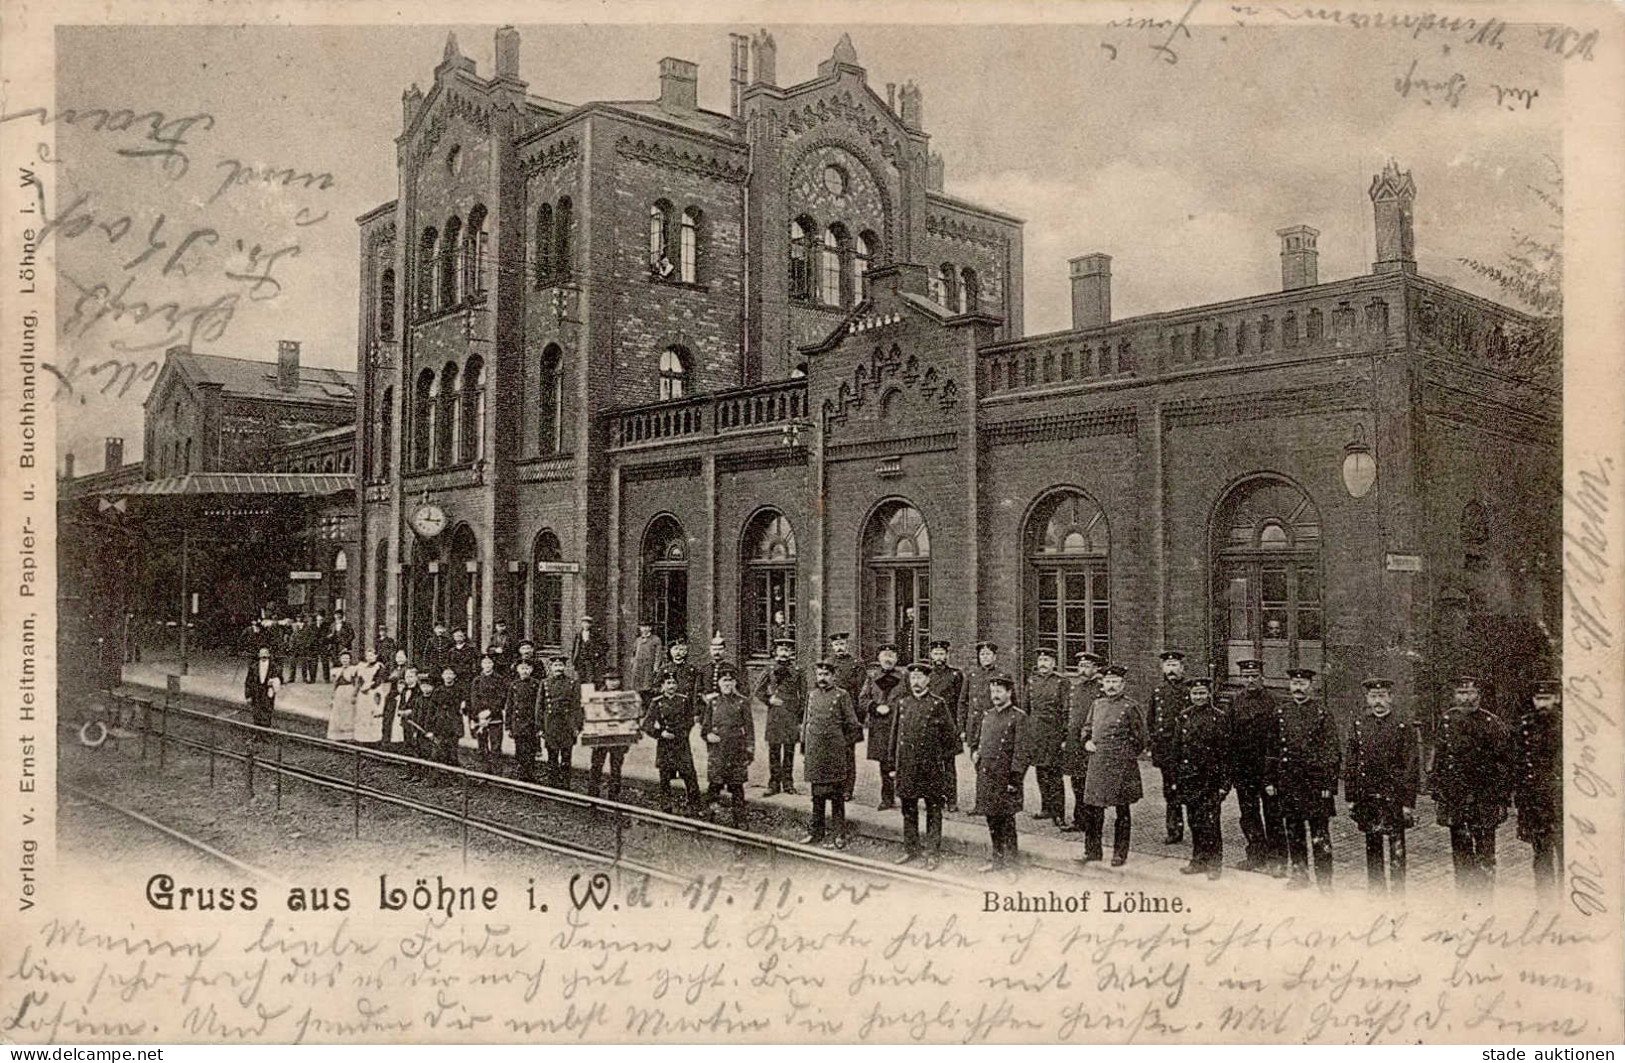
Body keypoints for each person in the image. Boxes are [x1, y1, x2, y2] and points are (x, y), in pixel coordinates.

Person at [1431, 674, 1513, 895]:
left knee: (1485, 857)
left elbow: (1504, 765)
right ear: (1454, 695)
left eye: (1470, 693)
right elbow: (1439, 759)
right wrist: (1439, 795)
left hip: (1484, 801)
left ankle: (1485, 904)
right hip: (1456, 800)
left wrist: (1502, 800)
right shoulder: (1447, 721)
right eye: (1461, 693)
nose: (1465, 698)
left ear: (1479, 695)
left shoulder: (1492, 723)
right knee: (1461, 856)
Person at [1344, 677, 1419, 895]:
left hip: (1394, 797)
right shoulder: (1359, 725)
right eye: (1374, 696)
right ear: (1367, 698)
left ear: (1391, 698)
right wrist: (1351, 796)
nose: (1378, 701)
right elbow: (1352, 762)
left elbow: (1411, 767)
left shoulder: (1403, 726)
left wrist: (1408, 802)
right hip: (1368, 795)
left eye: (1382, 696)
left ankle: (1397, 894)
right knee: (1372, 844)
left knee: (1396, 846)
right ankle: (1376, 892)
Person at [1268, 668, 1340, 892]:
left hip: (1315, 785)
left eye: (1303, 684)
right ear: (1290, 686)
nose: (1298, 688)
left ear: (1311, 686)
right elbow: (1272, 749)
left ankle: (1325, 881)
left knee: (1320, 834)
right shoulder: (1280, 712)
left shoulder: (1322, 713)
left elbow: (1332, 752)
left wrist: (1328, 785)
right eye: (1295, 683)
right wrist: (1270, 779)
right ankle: (1299, 874)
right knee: (1294, 831)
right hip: (1289, 783)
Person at [890, 660, 957, 869]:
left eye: (920, 678)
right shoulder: (902, 704)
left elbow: (951, 739)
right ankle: (911, 849)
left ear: (928, 680)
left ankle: (932, 853)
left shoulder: (938, 704)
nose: (916, 682)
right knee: (908, 809)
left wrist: (943, 767)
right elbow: (894, 736)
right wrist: (893, 765)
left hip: (930, 768)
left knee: (933, 811)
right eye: (913, 678)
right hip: (907, 766)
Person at [1079, 664, 1147, 867]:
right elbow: (1086, 728)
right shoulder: (1097, 704)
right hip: (1097, 763)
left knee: (1122, 812)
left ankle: (1120, 853)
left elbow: (1141, 738)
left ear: (1122, 684)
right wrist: (1086, 741)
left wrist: (1125, 755)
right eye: (1108, 681)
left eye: (1115, 682)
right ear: (1102, 683)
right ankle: (1092, 851)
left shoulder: (1130, 707)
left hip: (1121, 766)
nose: (1111, 685)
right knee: (1092, 810)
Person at [1228, 659, 1285, 876]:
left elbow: (1279, 738)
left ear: (1262, 677)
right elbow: (1230, 736)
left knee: (1273, 813)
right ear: (1242, 678)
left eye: (1254, 676)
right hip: (1244, 768)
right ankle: (1255, 854)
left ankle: (1277, 858)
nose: (1250, 680)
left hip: (1267, 768)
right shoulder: (1236, 701)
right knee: (1248, 814)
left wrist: (1274, 770)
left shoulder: (1273, 701)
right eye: (1246, 676)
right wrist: (1233, 769)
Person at [801, 658, 862, 849]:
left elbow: (853, 724)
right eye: (820, 674)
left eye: (826, 675)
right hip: (816, 752)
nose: (823, 678)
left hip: (835, 752)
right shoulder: (811, 695)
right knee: (817, 797)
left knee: (836, 797)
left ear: (833, 676)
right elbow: (806, 721)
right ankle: (816, 833)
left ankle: (839, 834)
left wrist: (844, 746)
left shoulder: (842, 695)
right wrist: (804, 743)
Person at [1171, 677, 1228, 878]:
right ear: (1190, 695)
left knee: (1211, 822)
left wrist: (1224, 784)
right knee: (1194, 821)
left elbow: (1225, 753)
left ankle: (1214, 864)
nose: (1199, 697)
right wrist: (1176, 778)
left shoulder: (1219, 717)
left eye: (1202, 693)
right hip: (1189, 778)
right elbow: (1177, 749)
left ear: (1209, 694)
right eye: (1195, 694)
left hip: (1210, 779)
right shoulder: (1184, 717)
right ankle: (1198, 860)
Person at [1514, 679, 1564, 900]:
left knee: (1567, 857)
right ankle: (1546, 905)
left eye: (1547, 698)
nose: (1542, 704)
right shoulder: (1525, 727)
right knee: (1541, 858)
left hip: (1563, 804)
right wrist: (1523, 809)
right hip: (1536, 804)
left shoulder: (1568, 727)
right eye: (1538, 699)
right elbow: (1519, 769)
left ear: (1557, 699)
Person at [975, 673, 1029, 874]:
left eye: (999, 691)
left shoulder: (1019, 717)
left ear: (1009, 692)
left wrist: (1015, 778)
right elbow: (982, 742)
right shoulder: (988, 715)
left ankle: (1013, 866)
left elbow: (1022, 752)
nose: (995, 695)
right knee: (992, 820)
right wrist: (978, 758)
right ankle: (997, 861)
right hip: (987, 776)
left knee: (1007, 822)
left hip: (1006, 778)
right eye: (993, 691)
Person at [703, 663, 756, 827]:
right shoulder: (712, 703)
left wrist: (749, 749)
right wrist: (708, 736)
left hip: (736, 749)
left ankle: (739, 818)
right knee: (715, 784)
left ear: (734, 684)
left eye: (730, 681)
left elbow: (749, 728)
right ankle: (709, 815)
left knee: (737, 786)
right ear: (719, 684)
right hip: (718, 750)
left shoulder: (742, 702)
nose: (727, 684)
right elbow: (705, 728)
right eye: (724, 681)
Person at [1146, 650, 1191, 845]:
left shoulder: (1190, 691)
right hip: (1165, 748)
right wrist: (1153, 743)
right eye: (1168, 666)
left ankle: (1196, 828)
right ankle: (1174, 829)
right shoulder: (1158, 692)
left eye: (1175, 666)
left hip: (1185, 748)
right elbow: (1152, 719)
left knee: (1188, 788)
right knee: (1170, 790)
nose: (1171, 670)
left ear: (1182, 668)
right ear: (1163, 668)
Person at [644, 667, 702, 814]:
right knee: (665, 774)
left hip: (681, 742)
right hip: (665, 743)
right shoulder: (657, 702)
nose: (671, 686)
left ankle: (694, 805)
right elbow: (646, 725)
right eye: (668, 683)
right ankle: (666, 803)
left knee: (689, 774)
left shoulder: (683, 700)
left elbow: (690, 720)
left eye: (674, 683)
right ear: (662, 686)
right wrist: (660, 733)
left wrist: (683, 733)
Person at [756, 638, 806, 796]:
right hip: (775, 715)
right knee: (774, 750)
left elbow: (804, 695)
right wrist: (769, 700)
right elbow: (758, 690)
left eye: (787, 650)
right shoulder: (769, 670)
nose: (784, 653)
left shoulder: (798, 671)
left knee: (790, 750)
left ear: (791, 653)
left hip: (791, 715)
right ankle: (773, 783)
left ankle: (788, 783)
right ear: (776, 652)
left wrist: (800, 717)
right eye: (781, 650)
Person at [1060, 651, 1104, 833]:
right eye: (1080, 666)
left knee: (1090, 782)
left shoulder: (1100, 689)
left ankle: (1091, 820)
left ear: (1096, 668)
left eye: (1086, 666)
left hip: (1090, 742)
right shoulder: (1075, 688)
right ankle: (1079, 819)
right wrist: (1065, 737)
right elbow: (1067, 714)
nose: (1082, 670)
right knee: (1076, 782)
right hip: (1074, 742)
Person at [859, 643, 906, 810]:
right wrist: (875, 707)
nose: (888, 659)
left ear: (896, 659)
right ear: (879, 659)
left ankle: (905, 796)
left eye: (891, 656)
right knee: (884, 764)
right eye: (885, 656)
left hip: (899, 725)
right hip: (879, 726)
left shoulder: (904, 677)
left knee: (901, 761)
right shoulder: (872, 677)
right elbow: (862, 699)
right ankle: (887, 798)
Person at [1025, 648, 1069, 823]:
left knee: (1054, 774)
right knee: (1040, 772)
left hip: (1053, 734)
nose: (1043, 664)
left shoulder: (1061, 682)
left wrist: (1064, 736)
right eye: (1041, 660)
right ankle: (1046, 808)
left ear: (1054, 663)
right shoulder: (1032, 681)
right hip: (1036, 734)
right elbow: (1025, 708)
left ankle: (1058, 812)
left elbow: (1066, 710)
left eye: (1047, 660)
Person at [926, 639, 966, 813]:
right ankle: (935, 798)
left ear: (947, 655)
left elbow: (960, 702)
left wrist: (958, 726)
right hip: (930, 726)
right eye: (936, 653)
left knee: (949, 764)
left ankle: (951, 799)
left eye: (942, 653)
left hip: (948, 726)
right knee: (931, 764)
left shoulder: (955, 675)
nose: (939, 657)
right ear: (931, 655)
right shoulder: (927, 675)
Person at [826, 632, 866, 801]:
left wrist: (859, 718)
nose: (839, 647)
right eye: (836, 645)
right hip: (832, 715)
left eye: (842, 644)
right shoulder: (827, 664)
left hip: (850, 714)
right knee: (831, 751)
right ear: (832, 647)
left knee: (848, 752)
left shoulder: (857, 664)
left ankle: (847, 789)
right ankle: (833, 785)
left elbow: (861, 691)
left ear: (847, 645)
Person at [589, 673, 635, 800]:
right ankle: (592, 794)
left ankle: (614, 795)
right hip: (600, 737)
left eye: (616, 680)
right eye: (610, 680)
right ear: (605, 681)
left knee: (616, 767)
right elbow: (591, 717)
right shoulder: (597, 697)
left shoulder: (626, 698)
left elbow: (630, 719)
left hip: (618, 738)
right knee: (596, 766)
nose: (613, 683)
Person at [541, 655, 584, 789]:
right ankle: (552, 783)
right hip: (550, 724)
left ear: (564, 667)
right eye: (555, 666)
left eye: (560, 666)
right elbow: (539, 706)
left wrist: (577, 726)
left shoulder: (572, 683)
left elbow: (577, 706)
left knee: (566, 756)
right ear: (551, 668)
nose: (558, 668)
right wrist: (540, 727)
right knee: (552, 756)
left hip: (567, 724)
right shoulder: (545, 683)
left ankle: (565, 784)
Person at [468, 653, 508, 775]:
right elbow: (474, 698)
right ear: (481, 665)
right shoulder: (477, 680)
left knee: (495, 746)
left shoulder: (499, 679)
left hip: (495, 718)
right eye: (485, 663)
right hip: (480, 719)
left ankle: (497, 773)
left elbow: (501, 697)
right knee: (482, 746)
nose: (487, 665)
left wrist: (490, 711)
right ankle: (484, 772)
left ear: (493, 664)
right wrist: (479, 714)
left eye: (489, 663)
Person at [505, 658, 543, 783]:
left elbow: (540, 705)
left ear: (531, 670)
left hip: (531, 722)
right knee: (520, 749)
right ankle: (521, 773)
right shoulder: (514, 685)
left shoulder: (536, 684)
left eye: (527, 668)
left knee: (531, 750)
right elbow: (509, 706)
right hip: (518, 722)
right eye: (522, 668)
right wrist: (508, 726)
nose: (524, 671)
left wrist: (539, 725)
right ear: (517, 670)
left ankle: (530, 773)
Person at [428, 667, 467, 767]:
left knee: (452, 753)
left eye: (450, 674)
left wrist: (464, 706)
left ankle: (453, 778)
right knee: (438, 752)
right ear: (442, 676)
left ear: (454, 676)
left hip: (454, 726)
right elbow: (431, 710)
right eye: (446, 674)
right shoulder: (438, 691)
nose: (448, 676)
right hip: (440, 725)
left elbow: (466, 707)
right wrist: (430, 728)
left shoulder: (459, 690)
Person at [382, 664, 422, 751]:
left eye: (411, 676)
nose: (408, 679)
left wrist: (410, 711)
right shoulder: (404, 690)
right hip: (404, 720)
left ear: (416, 677)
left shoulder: (419, 691)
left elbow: (420, 706)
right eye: (407, 676)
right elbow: (402, 703)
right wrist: (401, 710)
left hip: (414, 720)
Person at [353, 648, 387, 746]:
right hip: (363, 693)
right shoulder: (362, 666)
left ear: (376, 656)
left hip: (374, 692)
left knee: (374, 714)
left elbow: (379, 680)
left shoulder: (379, 666)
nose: (369, 658)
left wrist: (369, 686)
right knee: (363, 714)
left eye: (372, 655)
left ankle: (374, 738)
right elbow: (359, 679)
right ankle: (363, 737)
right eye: (368, 656)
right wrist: (361, 688)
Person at [325, 648, 360, 742]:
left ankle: (349, 735)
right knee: (338, 711)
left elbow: (356, 683)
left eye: (347, 658)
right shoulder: (336, 671)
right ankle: (337, 735)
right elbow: (335, 685)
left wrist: (355, 694)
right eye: (343, 658)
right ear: (340, 660)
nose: (345, 660)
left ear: (350, 660)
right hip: (339, 692)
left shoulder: (353, 670)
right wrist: (332, 697)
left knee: (348, 712)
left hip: (349, 690)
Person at [627, 621, 665, 704]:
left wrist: (656, 667)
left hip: (648, 666)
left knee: (647, 687)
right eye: (642, 627)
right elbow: (633, 653)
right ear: (640, 628)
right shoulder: (638, 640)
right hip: (638, 667)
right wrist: (632, 664)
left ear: (650, 628)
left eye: (647, 626)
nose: (644, 629)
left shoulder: (656, 639)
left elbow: (658, 655)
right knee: (637, 688)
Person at [244, 645, 279, 728]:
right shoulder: (253, 667)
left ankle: (266, 733)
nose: (264, 657)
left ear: (269, 655)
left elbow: (279, 679)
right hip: (256, 692)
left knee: (267, 712)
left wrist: (274, 683)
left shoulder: (274, 667)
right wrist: (248, 695)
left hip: (267, 693)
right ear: (259, 655)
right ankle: (257, 733)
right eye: (262, 654)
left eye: (266, 654)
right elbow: (248, 682)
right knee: (256, 712)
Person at [572, 615, 607, 688]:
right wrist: (574, 659)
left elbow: (605, 646)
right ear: (581, 624)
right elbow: (575, 648)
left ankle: (588, 695)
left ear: (590, 624)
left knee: (590, 678)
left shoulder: (596, 635)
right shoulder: (578, 635)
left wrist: (597, 653)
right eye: (584, 623)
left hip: (591, 660)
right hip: (580, 660)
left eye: (588, 623)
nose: (586, 625)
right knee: (580, 678)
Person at [327, 611, 355, 682]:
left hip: (343, 646)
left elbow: (352, 635)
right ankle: (337, 677)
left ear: (342, 616)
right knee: (335, 661)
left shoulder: (347, 625)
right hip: (334, 646)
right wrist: (329, 637)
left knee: (344, 661)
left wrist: (346, 643)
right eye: (336, 615)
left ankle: (346, 677)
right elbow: (329, 634)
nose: (337, 617)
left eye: (339, 615)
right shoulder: (332, 625)